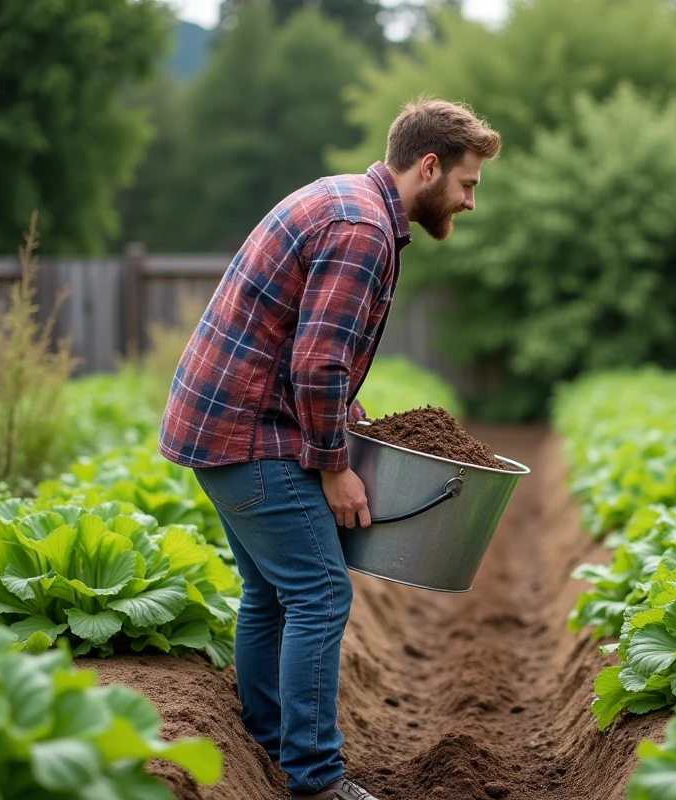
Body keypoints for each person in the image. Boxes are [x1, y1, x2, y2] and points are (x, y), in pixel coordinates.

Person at [158, 99, 502, 800]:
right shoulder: (361, 227)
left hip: (217, 425)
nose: (471, 201)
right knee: (319, 592)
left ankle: (266, 736)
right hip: (249, 433)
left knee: (270, 591)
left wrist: (348, 419)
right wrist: (337, 466)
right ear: (428, 166)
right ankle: (315, 778)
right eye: (467, 183)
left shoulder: (348, 200)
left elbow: (308, 351)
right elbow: (318, 363)